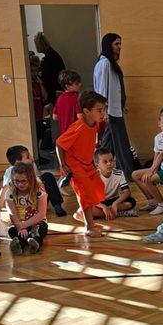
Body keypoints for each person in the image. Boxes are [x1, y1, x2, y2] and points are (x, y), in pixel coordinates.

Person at [55, 90, 108, 235]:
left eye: (104, 109)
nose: (103, 113)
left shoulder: (95, 124)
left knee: (98, 189)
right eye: (99, 110)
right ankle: (89, 228)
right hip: (74, 165)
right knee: (86, 195)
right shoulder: (78, 127)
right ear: (86, 111)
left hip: (87, 164)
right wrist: (63, 165)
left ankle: (80, 214)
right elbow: (59, 144)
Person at [93, 32, 135, 182]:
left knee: (108, 143)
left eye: (120, 44)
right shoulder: (104, 64)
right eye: (116, 44)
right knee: (122, 144)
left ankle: (99, 170)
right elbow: (102, 89)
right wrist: (103, 110)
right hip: (110, 111)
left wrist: (121, 105)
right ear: (108, 45)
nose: (119, 47)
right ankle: (128, 174)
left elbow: (116, 89)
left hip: (115, 110)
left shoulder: (110, 63)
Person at [0, 145, 67, 217]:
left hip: (35, 200)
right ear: (18, 162)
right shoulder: (12, 171)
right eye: (28, 157)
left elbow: (39, 181)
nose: (32, 158)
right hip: (21, 204)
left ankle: (57, 206)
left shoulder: (31, 165)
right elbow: (5, 188)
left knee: (48, 176)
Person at [6, 162, 48, 255]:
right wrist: (19, 227)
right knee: (13, 230)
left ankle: (35, 243)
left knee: (39, 230)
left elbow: (41, 214)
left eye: (23, 181)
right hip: (18, 223)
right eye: (16, 181)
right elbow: (12, 213)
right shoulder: (10, 193)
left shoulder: (39, 193)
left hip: (36, 222)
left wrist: (24, 225)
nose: (20, 184)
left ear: (31, 179)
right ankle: (19, 244)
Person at [93, 148, 138, 219]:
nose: (109, 163)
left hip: (114, 200)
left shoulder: (119, 173)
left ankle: (106, 213)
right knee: (89, 210)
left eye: (111, 160)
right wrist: (103, 207)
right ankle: (118, 213)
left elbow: (127, 192)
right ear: (97, 165)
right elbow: (89, 197)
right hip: (100, 202)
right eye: (105, 162)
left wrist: (115, 203)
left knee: (131, 202)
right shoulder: (94, 176)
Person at [35, 30, 66, 105]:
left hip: (54, 90)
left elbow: (48, 76)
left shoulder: (49, 58)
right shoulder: (52, 55)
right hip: (57, 87)